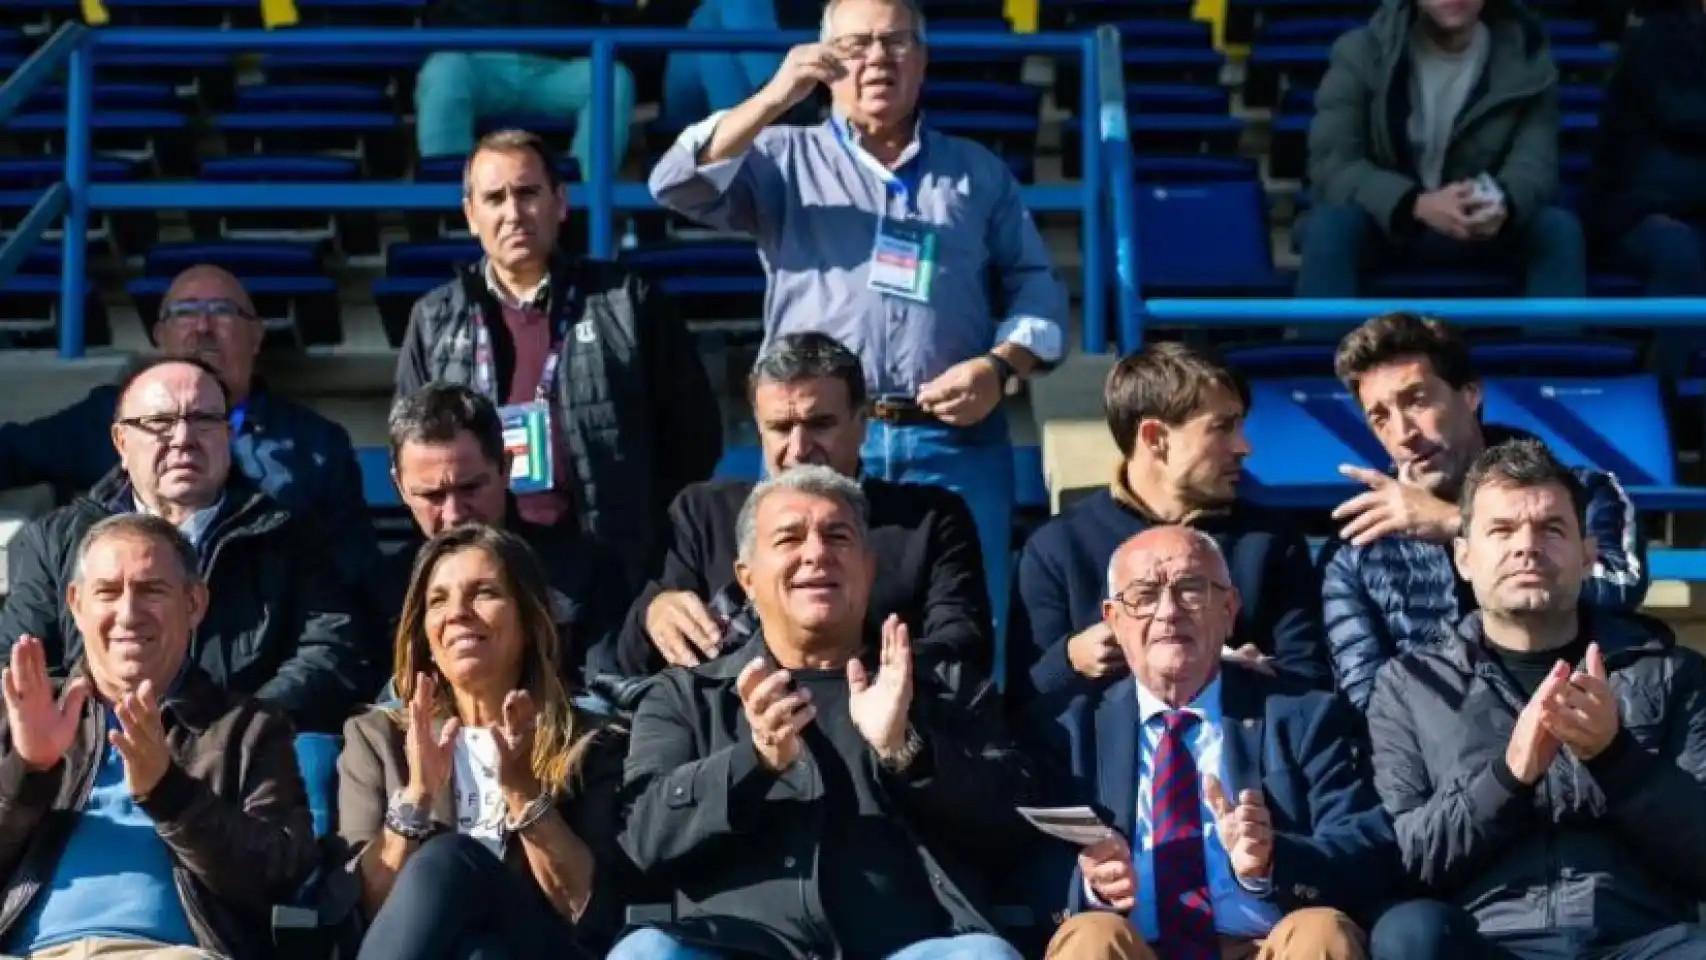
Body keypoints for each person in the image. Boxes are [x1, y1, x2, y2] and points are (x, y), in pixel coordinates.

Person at [649, 0, 1071, 637]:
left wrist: (999, 366)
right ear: (823, 63)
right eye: (856, 45)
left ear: (922, 60)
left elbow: (1040, 291)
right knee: (802, 624)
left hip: (951, 441)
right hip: (815, 443)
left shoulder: (977, 173)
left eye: (896, 42)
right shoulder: (782, 159)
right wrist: (774, 97)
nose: (877, 58)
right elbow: (675, 182)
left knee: (968, 628)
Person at [615, 466, 1036, 960]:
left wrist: (907, 751)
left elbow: (1012, 825)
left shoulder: (943, 685)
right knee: (644, 953)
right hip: (735, 947)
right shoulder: (686, 695)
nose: (816, 553)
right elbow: (641, 838)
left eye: (837, 536)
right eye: (789, 538)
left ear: (869, 567)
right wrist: (753, 762)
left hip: (908, 947)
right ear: (747, 579)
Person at [1365, 439, 1706, 960]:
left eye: (1551, 529)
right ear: (1463, 557)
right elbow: (1407, 861)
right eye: (1502, 530)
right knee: (1407, 933)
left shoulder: (1669, 673)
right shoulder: (1408, 687)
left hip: (1641, 942)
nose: (1527, 546)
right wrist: (1509, 777)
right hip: (1485, 943)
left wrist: (1617, 759)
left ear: (1588, 555)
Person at [1036, 527, 1396, 960]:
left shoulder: (1303, 715)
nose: (1169, 612)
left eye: (1191, 590)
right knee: (1091, 936)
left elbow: (1368, 846)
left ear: (1228, 610)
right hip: (1133, 948)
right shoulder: (1070, 728)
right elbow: (1023, 864)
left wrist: (1274, 859)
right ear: (1113, 619)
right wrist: (1091, 884)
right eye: (1145, 595)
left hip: (1265, 945)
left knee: (1321, 930)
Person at [399, 129, 722, 588]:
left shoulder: (627, 301)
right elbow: (413, 449)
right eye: (494, 198)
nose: (513, 213)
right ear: (471, 215)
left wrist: (643, 535)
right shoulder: (434, 319)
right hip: (488, 570)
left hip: (611, 569)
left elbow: (694, 437)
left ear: (560, 202)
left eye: (527, 193)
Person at [0, 514, 317, 958]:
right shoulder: (21, 711)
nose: (129, 614)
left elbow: (278, 878)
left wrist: (168, 792)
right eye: (107, 592)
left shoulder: (246, 728)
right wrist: (29, 772)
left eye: (152, 590)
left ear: (194, 604)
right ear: (75, 603)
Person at [0, 357, 371, 733]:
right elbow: (18, 662)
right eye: (160, 422)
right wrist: (86, 728)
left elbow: (330, 651)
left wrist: (240, 729)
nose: (183, 439)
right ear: (121, 442)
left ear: (228, 436)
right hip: (93, 745)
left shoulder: (288, 535)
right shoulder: (56, 542)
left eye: (203, 420)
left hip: (243, 749)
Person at [614, 332, 990, 679]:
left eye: (820, 424)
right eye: (780, 428)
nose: (799, 449)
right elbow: (631, 663)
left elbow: (963, 650)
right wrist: (653, 615)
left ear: (862, 424)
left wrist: (845, 683)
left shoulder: (928, 521)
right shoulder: (704, 515)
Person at [1321, 313, 1646, 712]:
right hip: (1437, 745)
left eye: (1417, 400)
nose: (1404, 433)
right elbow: (1364, 700)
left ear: (1471, 395)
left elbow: (1621, 588)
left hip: (1580, 720)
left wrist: (1455, 523)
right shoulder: (1356, 545)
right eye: (1380, 417)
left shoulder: (1586, 491)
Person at [339, 525, 631, 959]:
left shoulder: (593, 741)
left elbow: (585, 910)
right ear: (426, 634)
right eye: (438, 601)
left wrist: (523, 793)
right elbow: (366, 910)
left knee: (450, 859)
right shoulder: (378, 739)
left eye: (484, 593)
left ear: (529, 620)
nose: (458, 613)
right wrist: (417, 797)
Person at [0, 264, 375, 586]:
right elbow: (14, 453)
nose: (203, 326)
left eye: (223, 310)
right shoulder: (109, 416)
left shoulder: (316, 444)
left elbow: (352, 573)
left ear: (256, 336)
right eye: (184, 311)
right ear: (159, 336)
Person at [1011, 343, 1329, 708]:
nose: (1244, 446)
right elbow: (1022, 704)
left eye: (1240, 426)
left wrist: (1250, 680)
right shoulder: (1058, 546)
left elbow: (1311, 686)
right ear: (1155, 438)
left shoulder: (1271, 542)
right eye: (1222, 427)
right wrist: (1071, 659)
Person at [1298, 0, 1585, 297]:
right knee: (1332, 226)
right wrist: (1416, 205)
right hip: (1388, 224)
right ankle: (1321, 331)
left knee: (1557, 229)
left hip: (1483, 224)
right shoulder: (1362, 52)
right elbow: (1334, 165)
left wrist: (1501, 203)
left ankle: (1554, 332)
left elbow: (1535, 164)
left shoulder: (1528, 59)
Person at [383, 382, 627, 687]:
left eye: (470, 488)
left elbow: (607, 692)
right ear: (400, 488)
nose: (454, 514)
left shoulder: (586, 572)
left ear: (506, 467)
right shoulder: (385, 590)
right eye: (432, 496)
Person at [413, 3, 636, 179]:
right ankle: (454, 203)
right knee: (443, 72)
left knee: (612, 77)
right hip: (475, 58)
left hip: (557, 62)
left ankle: (583, 204)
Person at [1582, 0, 1706, 295]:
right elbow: (1679, 112)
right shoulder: (1656, 37)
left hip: (1691, 205)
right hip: (1638, 211)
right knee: (1678, 252)